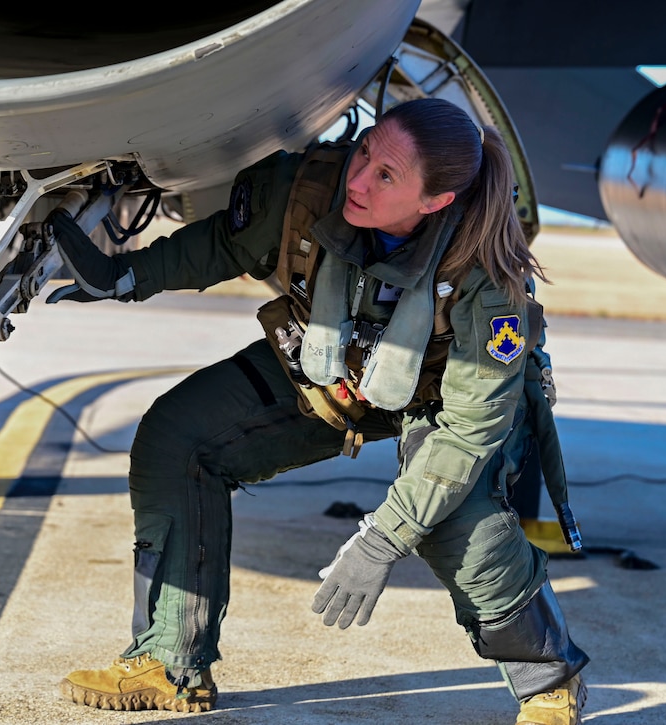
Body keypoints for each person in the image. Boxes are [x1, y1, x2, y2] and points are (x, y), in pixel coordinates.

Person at [47, 97, 589, 725]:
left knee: (459, 529)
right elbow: (226, 243)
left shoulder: (484, 277)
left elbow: (471, 432)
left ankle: (549, 680)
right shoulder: (309, 189)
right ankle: (170, 663)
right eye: (364, 153)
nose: (357, 180)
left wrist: (382, 540)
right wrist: (124, 276)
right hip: (333, 367)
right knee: (179, 437)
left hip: (443, 402)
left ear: (435, 201)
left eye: (387, 175)